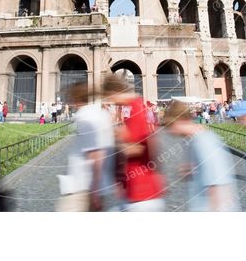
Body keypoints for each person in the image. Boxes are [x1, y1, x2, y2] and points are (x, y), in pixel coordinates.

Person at [163, 100, 239, 212]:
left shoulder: (203, 141)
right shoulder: (194, 140)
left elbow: (217, 185)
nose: (169, 131)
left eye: (169, 125)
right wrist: (193, 170)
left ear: (178, 120)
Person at [103, 76, 165, 211]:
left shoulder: (135, 107)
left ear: (114, 92)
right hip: (135, 191)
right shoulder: (132, 106)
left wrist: (115, 140)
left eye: (109, 96)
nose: (110, 101)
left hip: (142, 194)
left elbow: (139, 148)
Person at [56, 83, 116, 212]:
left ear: (75, 99)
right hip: (96, 185)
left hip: (82, 187)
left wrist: (94, 190)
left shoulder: (84, 117)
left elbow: (96, 154)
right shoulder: (101, 114)